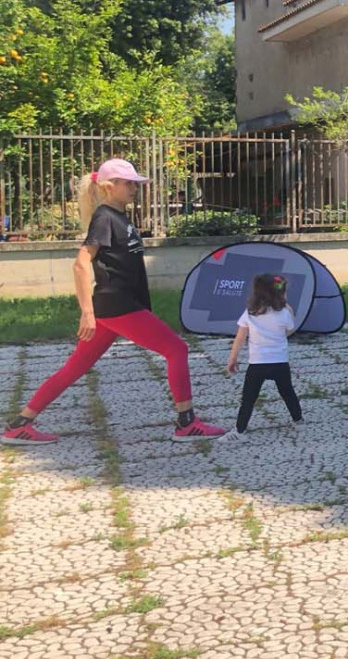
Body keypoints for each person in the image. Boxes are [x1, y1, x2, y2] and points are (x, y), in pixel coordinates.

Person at [2, 158, 226, 445]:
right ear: (109, 186)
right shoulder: (105, 217)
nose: (134, 188)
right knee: (177, 349)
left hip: (118, 307)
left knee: (75, 368)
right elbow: (81, 264)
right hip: (118, 305)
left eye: (135, 184)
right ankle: (187, 423)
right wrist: (87, 313)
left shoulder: (119, 216)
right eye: (128, 183)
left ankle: (20, 425)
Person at [221, 274, 303, 439]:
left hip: (257, 364)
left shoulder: (250, 313)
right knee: (287, 392)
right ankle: (298, 419)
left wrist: (232, 359)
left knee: (248, 398)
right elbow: (289, 331)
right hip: (280, 362)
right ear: (280, 295)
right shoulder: (285, 313)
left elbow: (240, 338)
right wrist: (290, 311)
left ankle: (239, 430)